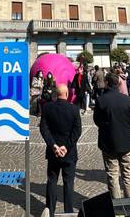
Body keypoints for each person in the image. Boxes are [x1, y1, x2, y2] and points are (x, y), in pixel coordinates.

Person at [40, 84, 82, 216]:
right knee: (68, 183)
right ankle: (68, 212)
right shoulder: (74, 109)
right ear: (66, 94)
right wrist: (66, 146)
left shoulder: (47, 108)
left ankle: (50, 211)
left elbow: (44, 129)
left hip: (53, 152)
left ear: (55, 94)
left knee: (52, 181)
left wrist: (54, 146)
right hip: (68, 152)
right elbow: (77, 131)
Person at [94, 72, 130, 199]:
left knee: (112, 175)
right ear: (118, 83)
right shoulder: (127, 99)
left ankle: (116, 206)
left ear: (106, 83)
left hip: (108, 142)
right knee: (128, 174)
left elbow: (97, 121)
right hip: (126, 141)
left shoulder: (101, 100)